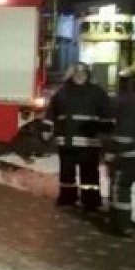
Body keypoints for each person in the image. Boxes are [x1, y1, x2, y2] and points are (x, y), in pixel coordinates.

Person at [42, 62, 114, 211]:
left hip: (89, 143)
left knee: (90, 176)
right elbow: (51, 113)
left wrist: (107, 135)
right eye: (77, 73)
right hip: (67, 142)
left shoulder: (97, 93)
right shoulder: (62, 92)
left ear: (88, 75)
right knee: (67, 175)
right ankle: (67, 199)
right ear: (72, 75)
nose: (80, 76)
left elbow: (107, 116)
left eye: (83, 73)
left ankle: (90, 201)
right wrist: (46, 128)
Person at [104, 68, 135, 237]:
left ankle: (121, 225)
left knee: (121, 187)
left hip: (128, 154)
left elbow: (122, 133)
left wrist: (111, 150)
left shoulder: (126, 102)